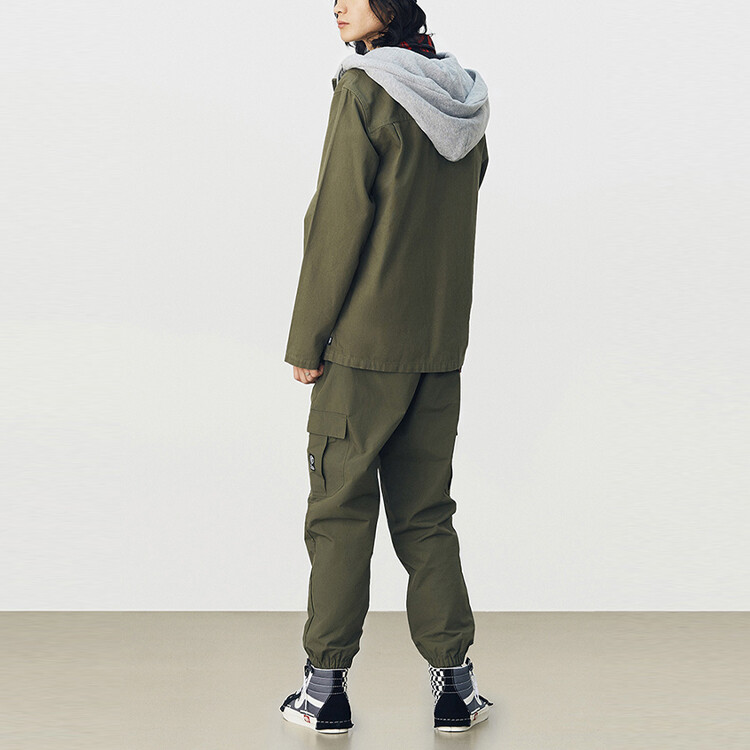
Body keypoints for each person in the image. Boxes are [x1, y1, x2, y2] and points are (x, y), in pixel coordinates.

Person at [279, 0, 493, 734]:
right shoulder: (464, 100)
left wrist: (307, 340)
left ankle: (323, 691)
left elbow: (336, 221)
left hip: (362, 350)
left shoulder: (364, 88)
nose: (337, 5)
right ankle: (456, 689)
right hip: (439, 345)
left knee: (340, 512)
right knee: (427, 514)